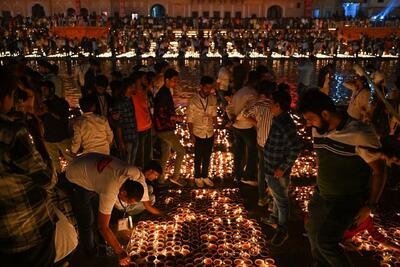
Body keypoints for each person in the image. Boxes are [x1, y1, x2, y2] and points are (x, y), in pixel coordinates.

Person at [298, 90, 385, 267]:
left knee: (326, 242)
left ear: (325, 114)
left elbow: (379, 171)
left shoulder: (360, 133)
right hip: (321, 195)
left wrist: (370, 205)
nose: (308, 125)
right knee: (313, 237)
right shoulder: (318, 130)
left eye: (310, 119)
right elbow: (324, 160)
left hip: (347, 200)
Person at [0, 68, 76, 267]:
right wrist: (37, 135)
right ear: (6, 97)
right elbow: (48, 179)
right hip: (28, 232)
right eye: (20, 95)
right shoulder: (12, 132)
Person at [65, 153, 162, 258]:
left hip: (91, 164)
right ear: (124, 193)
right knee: (87, 219)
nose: (128, 204)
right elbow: (103, 226)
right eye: (129, 202)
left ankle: (102, 242)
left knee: (97, 208)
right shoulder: (109, 190)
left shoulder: (137, 174)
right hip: (76, 175)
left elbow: (146, 204)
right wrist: (120, 252)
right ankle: (90, 251)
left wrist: (162, 214)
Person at [262, 89, 302, 246]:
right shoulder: (279, 119)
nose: (270, 105)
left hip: (275, 169)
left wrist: (283, 168)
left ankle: (282, 229)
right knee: (278, 196)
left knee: (281, 199)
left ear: (278, 105)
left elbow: (296, 146)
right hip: (272, 167)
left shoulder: (284, 123)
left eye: (272, 103)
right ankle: (274, 219)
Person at [239, 80, 275, 206]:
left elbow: (243, 114)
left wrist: (257, 123)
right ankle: (271, 200)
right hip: (272, 144)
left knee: (261, 170)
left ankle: (261, 197)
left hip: (261, 141)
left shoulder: (257, 105)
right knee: (272, 172)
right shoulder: (274, 106)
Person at [154, 68, 186, 186]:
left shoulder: (166, 91)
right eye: (174, 80)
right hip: (164, 129)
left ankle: (160, 179)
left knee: (165, 154)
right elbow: (161, 113)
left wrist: (174, 115)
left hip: (163, 128)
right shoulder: (163, 93)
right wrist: (175, 118)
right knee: (181, 151)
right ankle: (175, 177)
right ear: (167, 80)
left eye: (177, 81)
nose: (176, 83)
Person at [227, 70, 259, 186]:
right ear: (256, 81)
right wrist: (237, 118)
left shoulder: (239, 92)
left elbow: (229, 108)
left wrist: (232, 118)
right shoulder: (253, 94)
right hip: (247, 127)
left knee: (239, 151)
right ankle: (248, 176)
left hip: (236, 127)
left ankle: (238, 174)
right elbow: (246, 112)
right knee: (252, 151)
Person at [187, 76, 218, 188]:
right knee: (198, 156)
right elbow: (189, 120)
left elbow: (214, 116)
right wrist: (191, 135)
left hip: (209, 132)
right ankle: (197, 176)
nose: (208, 90)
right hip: (198, 132)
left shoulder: (213, 99)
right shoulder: (193, 100)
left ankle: (205, 176)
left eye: (210, 88)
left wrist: (216, 131)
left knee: (207, 156)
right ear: (201, 87)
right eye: (206, 88)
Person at [38, 80, 72, 173]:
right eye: (42, 90)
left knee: (72, 160)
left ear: (52, 89)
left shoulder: (62, 103)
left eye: (45, 90)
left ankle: (76, 179)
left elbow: (63, 118)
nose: (43, 92)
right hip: (49, 138)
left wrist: (49, 111)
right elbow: (40, 117)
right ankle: (59, 180)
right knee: (54, 163)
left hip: (62, 137)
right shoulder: (44, 103)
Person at [113, 78, 138, 164]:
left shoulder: (131, 100)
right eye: (133, 87)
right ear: (127, 88)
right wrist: (121, 142)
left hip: (134, 135)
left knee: (132, 162)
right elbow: (118, 124)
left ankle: (131, 177)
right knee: (126, 163)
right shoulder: (120, 103)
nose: (135, 89)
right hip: (126, 138)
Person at [131, 71, 153, 169]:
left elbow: (148, 109)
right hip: (139, 128)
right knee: (140, 155)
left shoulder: (145, 92)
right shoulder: (132, 93)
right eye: (144, 78)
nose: (146, 80)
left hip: (147, 126)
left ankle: (148, 174)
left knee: (148, 153)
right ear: (138, 79)